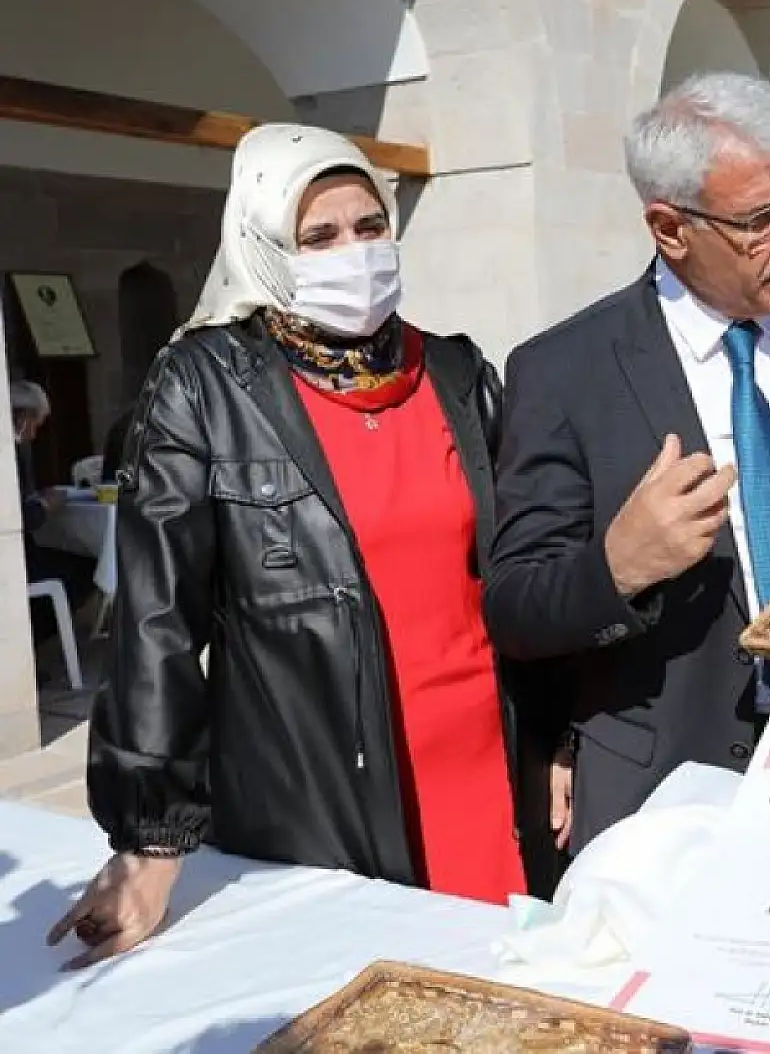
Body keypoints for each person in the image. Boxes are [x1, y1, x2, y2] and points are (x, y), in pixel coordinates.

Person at [51, 124, 569, 969]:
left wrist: (558, 739)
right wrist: (149, 838)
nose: (353, 255)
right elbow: (158, 626)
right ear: (263, 249)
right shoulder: (205, 388)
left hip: (484, 767)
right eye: (319, 238)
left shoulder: (456, 371)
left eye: (370, 228)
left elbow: (526, 569)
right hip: (317, 788)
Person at [484, 71, 770, 855]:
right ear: (670, 228)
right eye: (762, 218)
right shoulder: (563, 371)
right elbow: (517, 607)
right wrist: (618, 568)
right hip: (667, 791)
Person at [12, 380, 97, 642]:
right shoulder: (9, 452)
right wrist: (44, 505)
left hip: (24, 553)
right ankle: (35, 640)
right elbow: (18, 519)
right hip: (15, 559)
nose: (34, 435)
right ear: (23, 417)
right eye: (35, 425)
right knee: (83, 571)